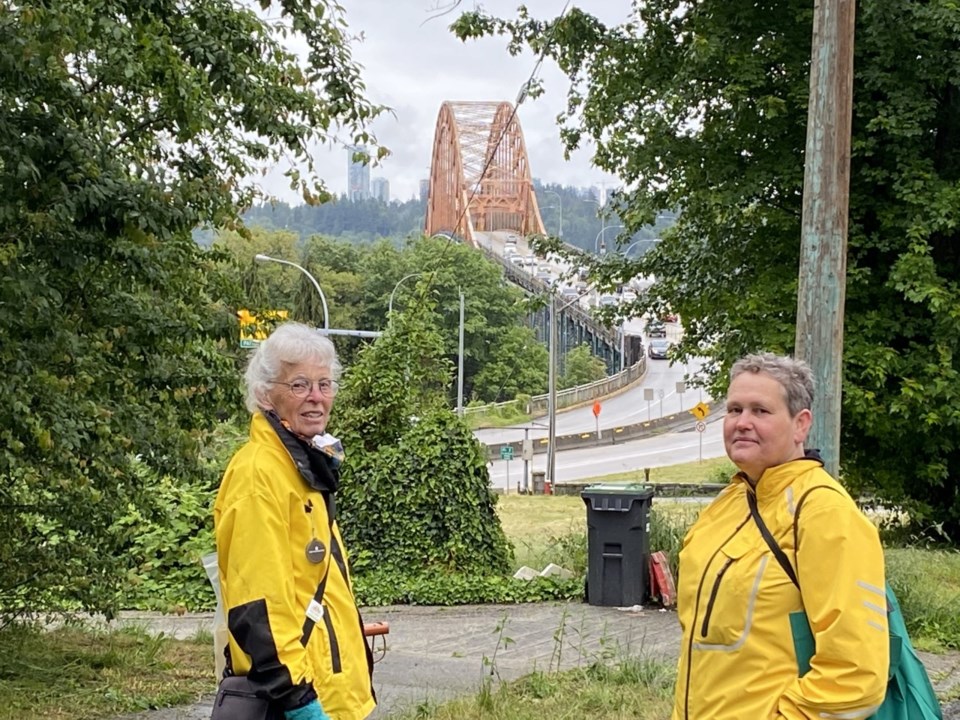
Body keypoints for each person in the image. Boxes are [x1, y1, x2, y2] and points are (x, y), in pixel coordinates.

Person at [671, 352, 889, 720]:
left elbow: (856, 675)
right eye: (734, 409)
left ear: (800, 425)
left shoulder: (823, 513)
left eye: (760, 411)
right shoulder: (729, 503)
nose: (742, 423)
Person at [214, 322, 375, 720]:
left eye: (325, 384)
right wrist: (299, 702)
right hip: (297, 699)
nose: (316, 398)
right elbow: (258, 605)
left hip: (336, 694)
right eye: (300, 385)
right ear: (266, 394)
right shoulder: (259, 474)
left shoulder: (302, 466)